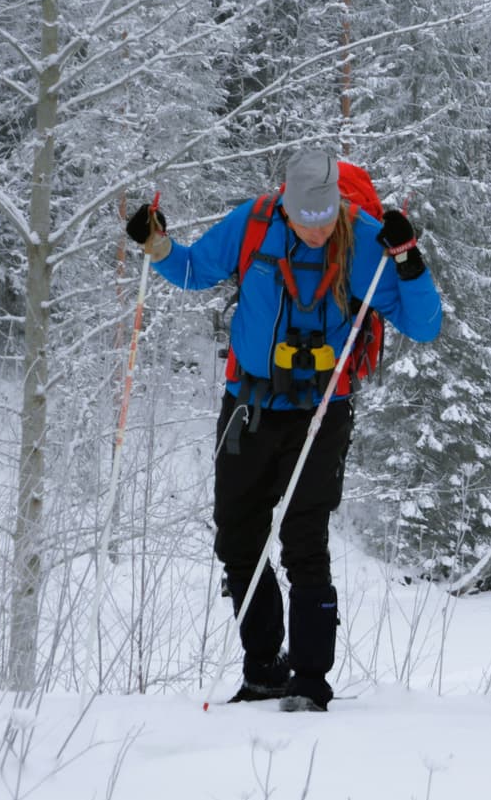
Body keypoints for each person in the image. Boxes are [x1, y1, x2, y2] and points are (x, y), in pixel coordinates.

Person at [126, 150, 443, 711]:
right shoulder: (252, 222)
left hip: (322, 410)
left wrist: (407, 259)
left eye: (326, 221)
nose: (317, 232)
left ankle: (311, 682)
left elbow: (423, 325)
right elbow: (197, 269)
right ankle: (264, 669)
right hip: (248, 403)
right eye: (306, 221)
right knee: (236, 535)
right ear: (286, 207)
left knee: (304, 542)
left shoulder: (366, 239)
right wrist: (157, 245)